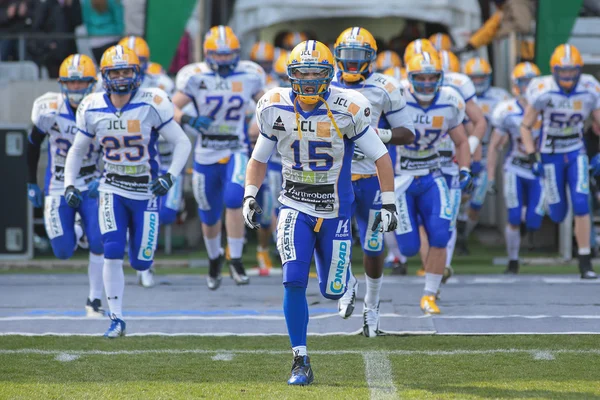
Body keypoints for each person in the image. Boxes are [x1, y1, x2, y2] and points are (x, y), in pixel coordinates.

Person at [243, 40, 398, 385]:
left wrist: (388, 201)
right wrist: (249, 196)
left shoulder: (350, 107)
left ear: (329, 76)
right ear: (291, 75)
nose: (309, 80)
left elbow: (381, 156)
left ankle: (346, 281)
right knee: (294, 279)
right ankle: (300, 360)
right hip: (294, 203)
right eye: (302, 73)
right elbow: (258, 158)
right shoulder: (273, 106)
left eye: (316, 73)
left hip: (335, 209)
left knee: (332, 290)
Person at [63, 45, 191, 337]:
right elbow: (77, 150)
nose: (120, 77)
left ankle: (131, 281)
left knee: (141, 260)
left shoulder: (153, 101)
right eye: (115, 72)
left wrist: (170, 176)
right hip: (112, 187)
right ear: (104, 75)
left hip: (146, 190)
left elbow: (182, 143)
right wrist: (70, 183)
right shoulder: (91, 105)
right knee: (111, 250)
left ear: (136, 73)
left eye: (125, 71)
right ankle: (116, 318)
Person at [331, 26, 415, 337]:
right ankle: (346, 285)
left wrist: (383, 135)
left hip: (373, 179)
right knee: (333, 241)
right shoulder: (323, 84)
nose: (352, 64)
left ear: (371, 59)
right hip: (335, 178)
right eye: (347, 58)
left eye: (358, 58)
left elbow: (408, 132)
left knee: (374, 244)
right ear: (337, 57)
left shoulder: (384, 87)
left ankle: (373, 306)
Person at [172, 26, 266, 290]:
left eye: (229, 54)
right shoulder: (194, 76)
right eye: (218, 55)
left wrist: (259, 122)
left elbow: (268, 103)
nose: (224, 59)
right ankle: (214, 259)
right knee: (209, 214)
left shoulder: (250, 74)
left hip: (235, 148)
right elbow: (169, 105)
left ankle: (235, 258)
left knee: (235, 199)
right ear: (207, 53)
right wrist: (188, 118)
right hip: (205, 153)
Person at [27, 53, 104, 317]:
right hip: (59, 182)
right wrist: (31, 182)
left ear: (91, 83)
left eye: (81, 83)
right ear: (62, 84)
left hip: (90, 180)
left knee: (100, 240)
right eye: (71, 83)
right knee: (61, 251)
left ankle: (94, 300)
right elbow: (32, 144)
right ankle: (78, 231)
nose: (75, 88)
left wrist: (104, 179)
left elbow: (116, 148)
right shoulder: (48, 108)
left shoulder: (101, 106)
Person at [396, 51, 472, 314]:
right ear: (409, 78)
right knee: (408, 247)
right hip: (400, 177)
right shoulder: (397, 98)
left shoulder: (451, 101)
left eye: (432, 77)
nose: (427, 83)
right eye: (421, 78)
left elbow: (461, 141)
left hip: (432, 172)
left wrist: (464, 168)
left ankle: (430, 295)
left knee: (441, 234)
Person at [520, 44, 600, 279]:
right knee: (557, 213)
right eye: (562, 71)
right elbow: (526, 125)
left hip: (575, 150)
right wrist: (532, 153)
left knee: (582, 202)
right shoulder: (543, 89)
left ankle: (585, 261)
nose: (567, 76)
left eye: (571, 71)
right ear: (554, 71)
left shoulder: (589, 88)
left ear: (579, 70)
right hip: (550, 153)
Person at [487, 62, 543, 273]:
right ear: (515, 85)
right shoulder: (507, 110)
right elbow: (494, 146)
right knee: (513, 216)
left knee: (533, 221)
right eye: (524, 82)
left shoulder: (547, 106)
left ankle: (524, 226)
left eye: (532, 82)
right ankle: (513, 260)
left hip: (541, 171)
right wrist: (490, 177)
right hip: (516, 167)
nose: (528, 87)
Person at [458, 57, 511, 252]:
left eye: (482, 78)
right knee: (459, 193)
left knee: (478, 198)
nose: (478, 82)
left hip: (489, 149)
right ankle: (456, 229)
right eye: (474, 78)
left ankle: (463, 234)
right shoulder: (460, 95)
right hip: (464, 148)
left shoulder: (500, 97)